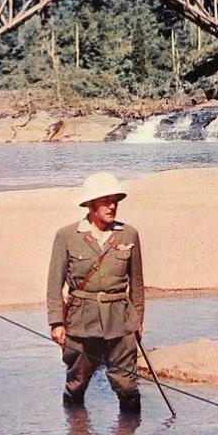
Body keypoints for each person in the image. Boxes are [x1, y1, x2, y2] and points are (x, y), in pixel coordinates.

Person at [46, 172, 145, 413]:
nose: (112, 206)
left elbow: (138, 285)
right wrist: (56, 322)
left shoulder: (128, 234)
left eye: (115, 201)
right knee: (76, 383)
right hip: (81, 322)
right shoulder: (67, 236)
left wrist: (138, 321)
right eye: (106, 201)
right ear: (90, 204)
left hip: (120, 321)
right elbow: (53, 283)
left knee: (127, 385)